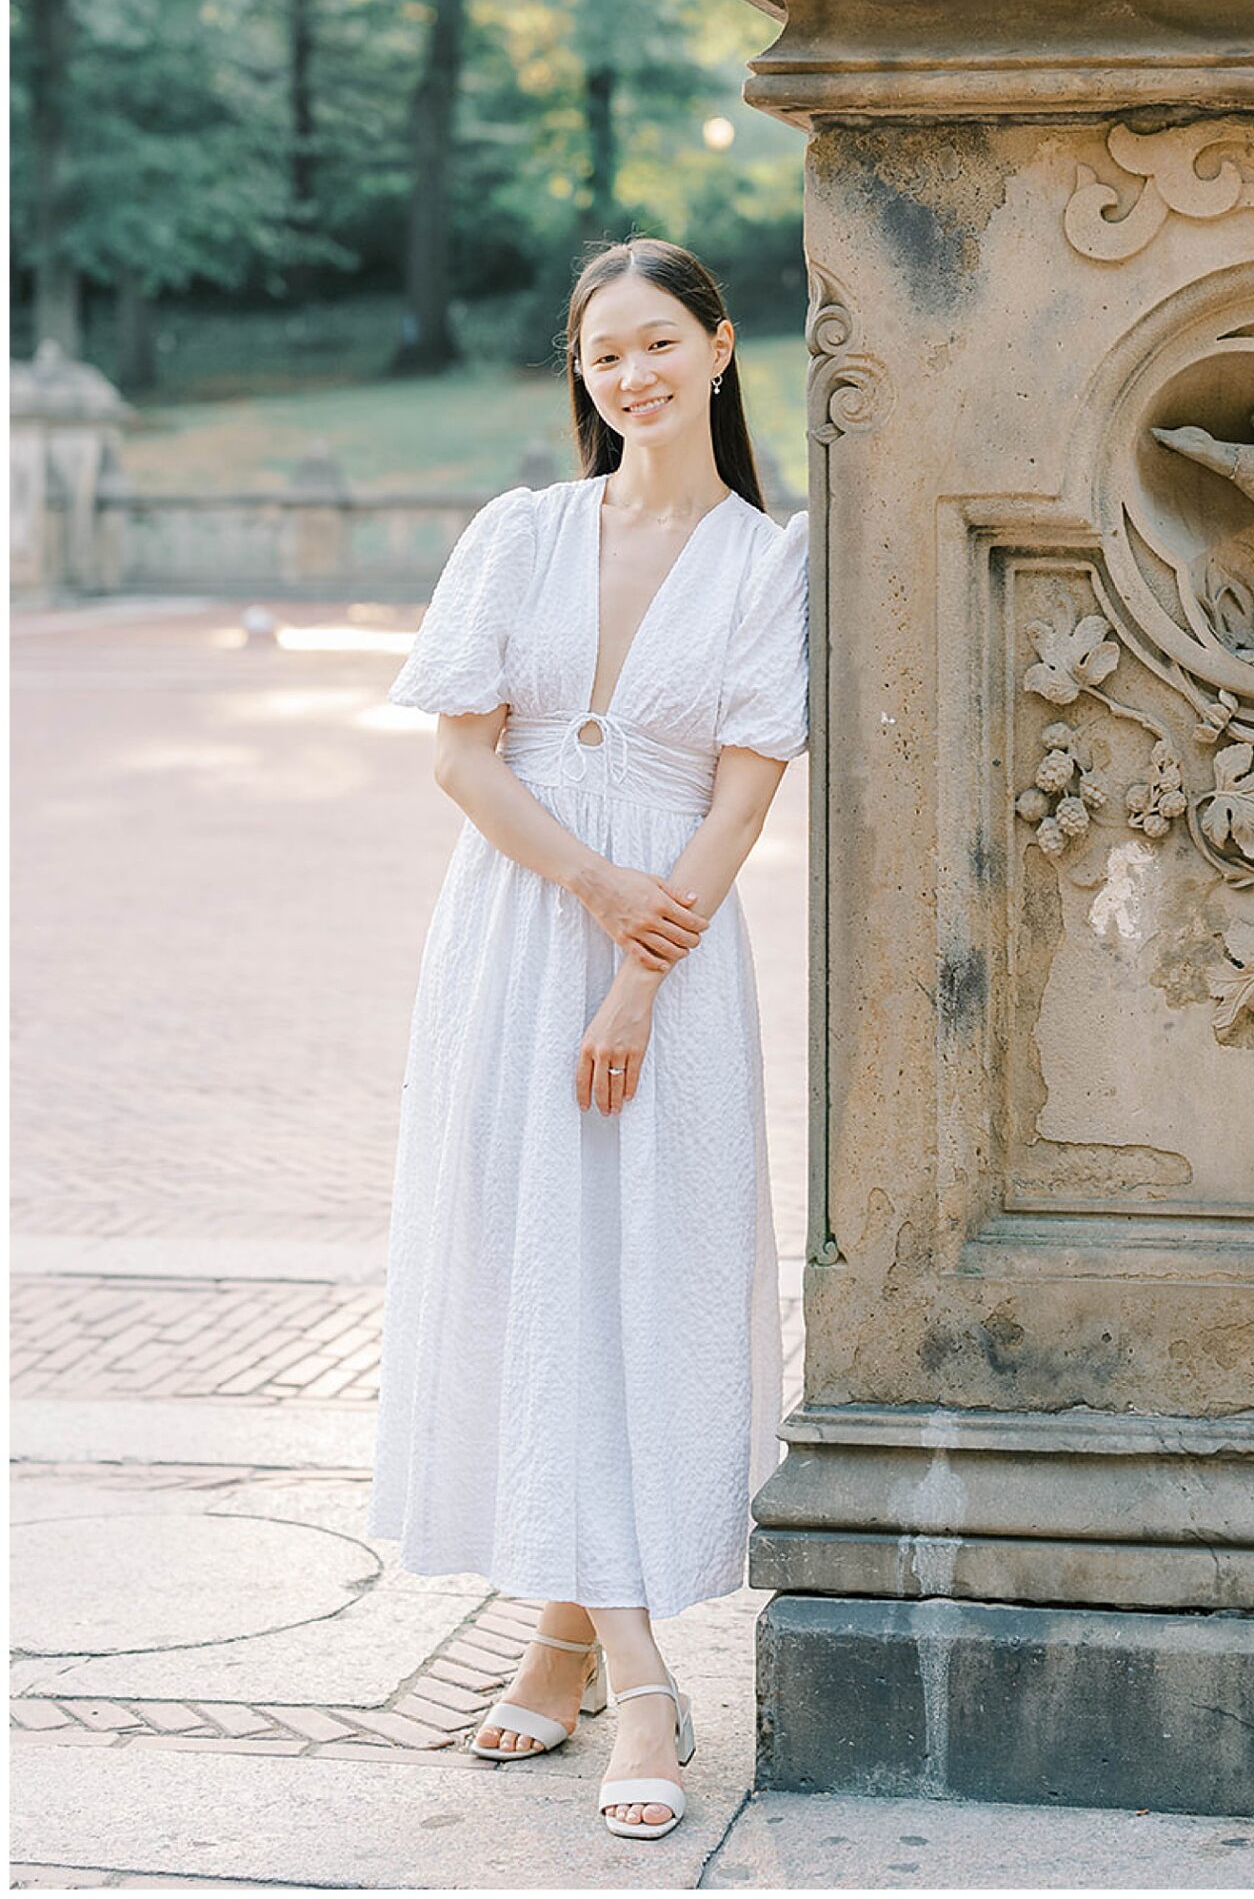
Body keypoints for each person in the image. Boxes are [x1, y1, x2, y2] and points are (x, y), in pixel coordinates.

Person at [368, 238, 808, 1842]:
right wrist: (595, 889)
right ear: (583, 372)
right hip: (510, 938)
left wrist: (638, 966)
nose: (629, 377)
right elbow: (463, 762)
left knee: (640, 1285)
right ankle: (628, 1672)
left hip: (670, 971)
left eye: (656, 345)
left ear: (718, 347)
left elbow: (747, 788)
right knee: (539, 1277)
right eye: (601, 354)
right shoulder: (519, 532)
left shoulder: (770, 560)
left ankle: (590, 1660)